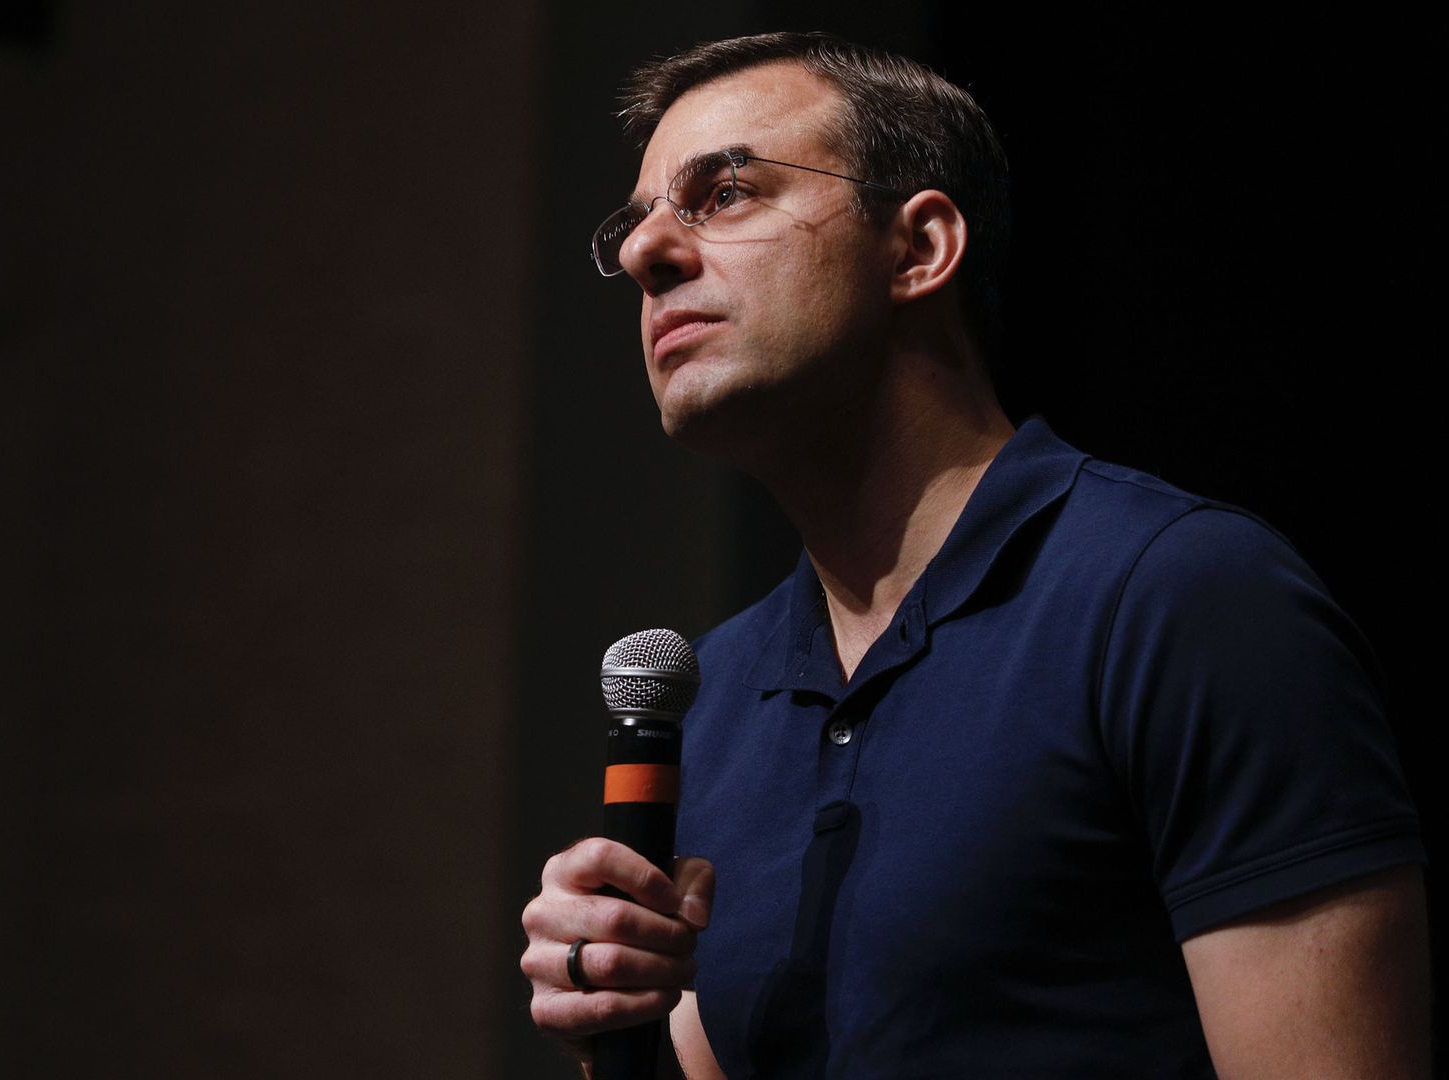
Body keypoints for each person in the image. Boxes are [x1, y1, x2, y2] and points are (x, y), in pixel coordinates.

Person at [519, 31, 1430, 1078]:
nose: (646, 253)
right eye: (635, 224)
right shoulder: (714, 691)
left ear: (920, 249)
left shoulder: (1182, 598)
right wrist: (615, 1016)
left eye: (724, 193)